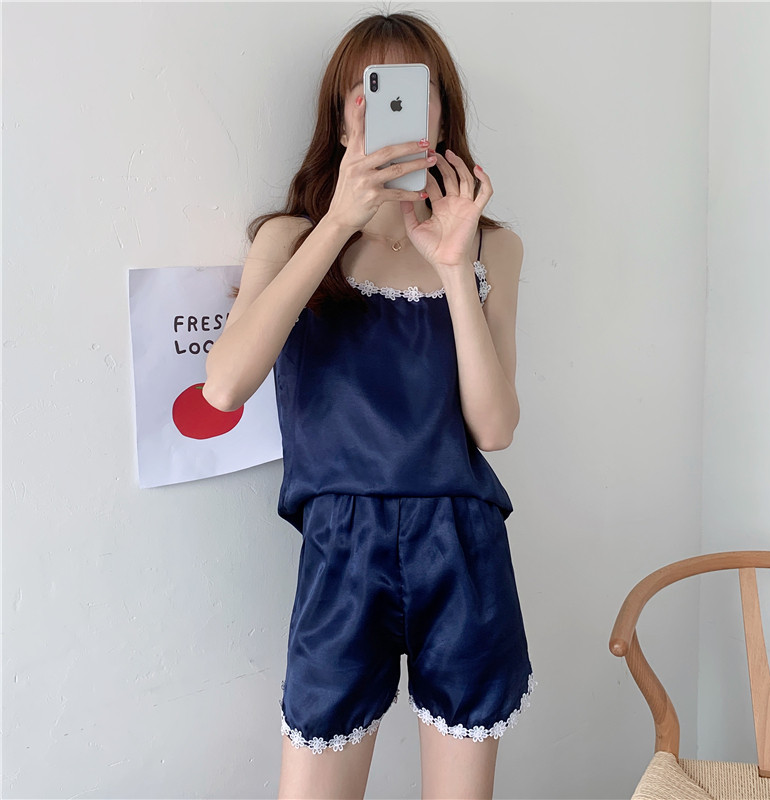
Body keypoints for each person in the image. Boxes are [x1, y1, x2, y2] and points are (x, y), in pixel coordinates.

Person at [203, 10, 535, 799]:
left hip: (462, 547)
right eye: (373, 89)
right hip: (340, 551)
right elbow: (224, 387)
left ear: (443, 112)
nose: (394, 108)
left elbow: (494, 428)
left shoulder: (492, 247)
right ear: (343, 113)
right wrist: (338, 223)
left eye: (416, 90)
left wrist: (454, 267)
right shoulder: (289, 239)